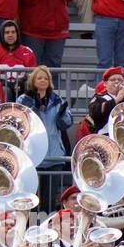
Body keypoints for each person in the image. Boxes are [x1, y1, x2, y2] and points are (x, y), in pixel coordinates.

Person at [16, 64, 73, 208]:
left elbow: (68, 122)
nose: (43, 80)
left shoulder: (57, 100)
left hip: (54, 156)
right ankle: (33, 227)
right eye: (39, 78)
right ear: (33, 81)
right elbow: (18, 124)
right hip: (32, 157)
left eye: (45, 78)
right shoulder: (23, 100)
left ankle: (47, 226)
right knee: (33, 199)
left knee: (50, 199)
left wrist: (62, 115)